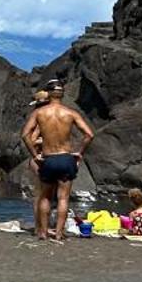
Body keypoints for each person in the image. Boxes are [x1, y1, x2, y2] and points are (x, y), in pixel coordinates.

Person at [24, 81, 94, 243]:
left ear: (48, 94)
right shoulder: (70, 113)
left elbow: (25, 135)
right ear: (62, 94)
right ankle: (59, 233)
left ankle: (42, 232)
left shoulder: (40, 113)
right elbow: (89, 135)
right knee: (63, 198)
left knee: (45, 197)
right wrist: (79, 153)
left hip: (48, 158)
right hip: (65, 157)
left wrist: (35, 155)